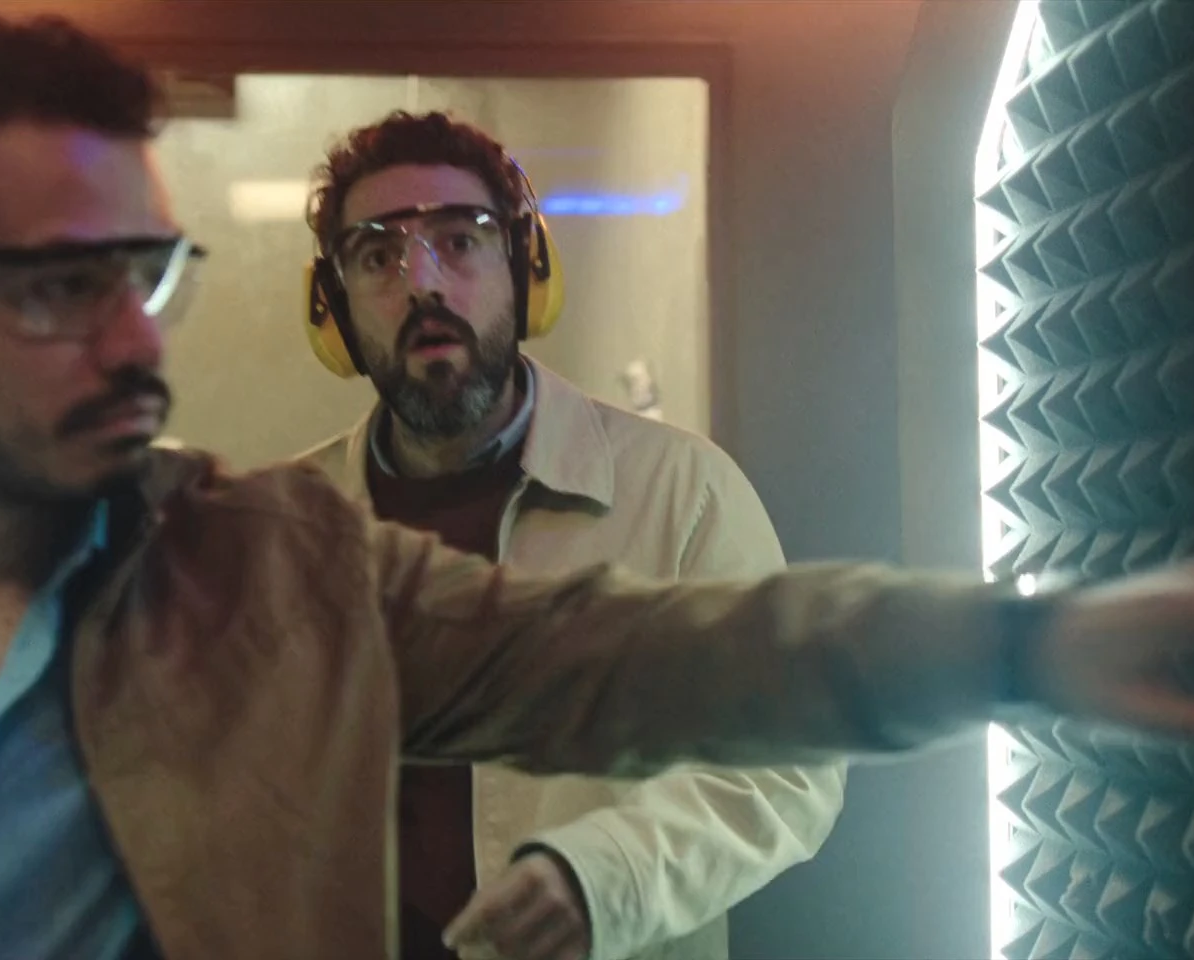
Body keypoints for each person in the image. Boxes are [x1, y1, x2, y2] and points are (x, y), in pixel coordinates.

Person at [0, 15, 1194, 960]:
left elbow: (670, 662)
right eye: (60, 286)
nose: (135, 345)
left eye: (149, 276)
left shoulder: (280, 564)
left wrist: (1025, 643)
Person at [295, 112, 844, 960]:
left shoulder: (681, 494)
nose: (423, 285)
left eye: (460, 241)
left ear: (525, 268)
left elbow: (785, 766)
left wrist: (601, 879)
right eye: (377, 258)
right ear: (332, 310)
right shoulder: (287, 530)